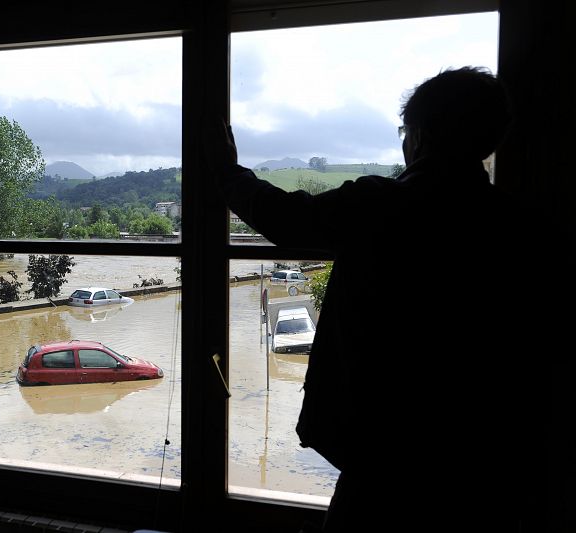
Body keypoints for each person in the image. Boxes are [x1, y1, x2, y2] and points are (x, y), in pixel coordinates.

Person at [205, 67, 573, 532]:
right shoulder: (531, 231)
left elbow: (286, 218)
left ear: (418, 136)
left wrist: (225, 170)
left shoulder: (381, 206)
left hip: (381, 449)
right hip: (488, 454)